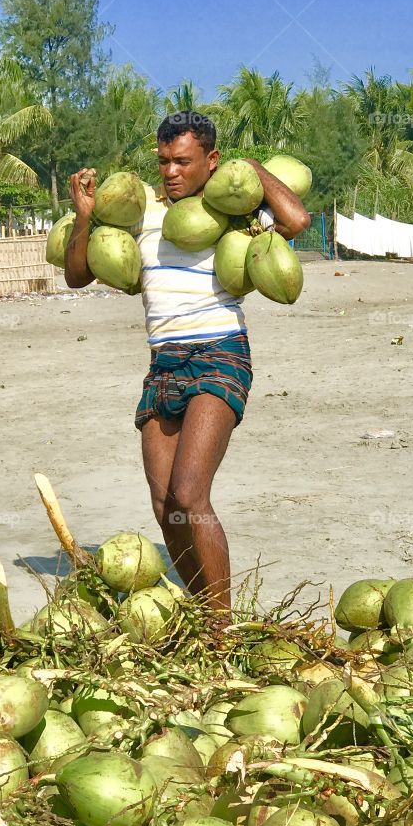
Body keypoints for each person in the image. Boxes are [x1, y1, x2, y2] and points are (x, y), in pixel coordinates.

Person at [65, 111, 310, 615]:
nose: (171, 172)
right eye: (163, 162)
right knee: (165, 505)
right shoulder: (142, 213)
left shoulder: (235, 215)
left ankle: (223, 629)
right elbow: (76, 275)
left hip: (220, 352)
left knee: (190, 493)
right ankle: (201, 611)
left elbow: (296, 221)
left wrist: (253, 170)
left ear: (211, 161)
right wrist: (86, 214)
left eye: (182, 161)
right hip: (164, 363)